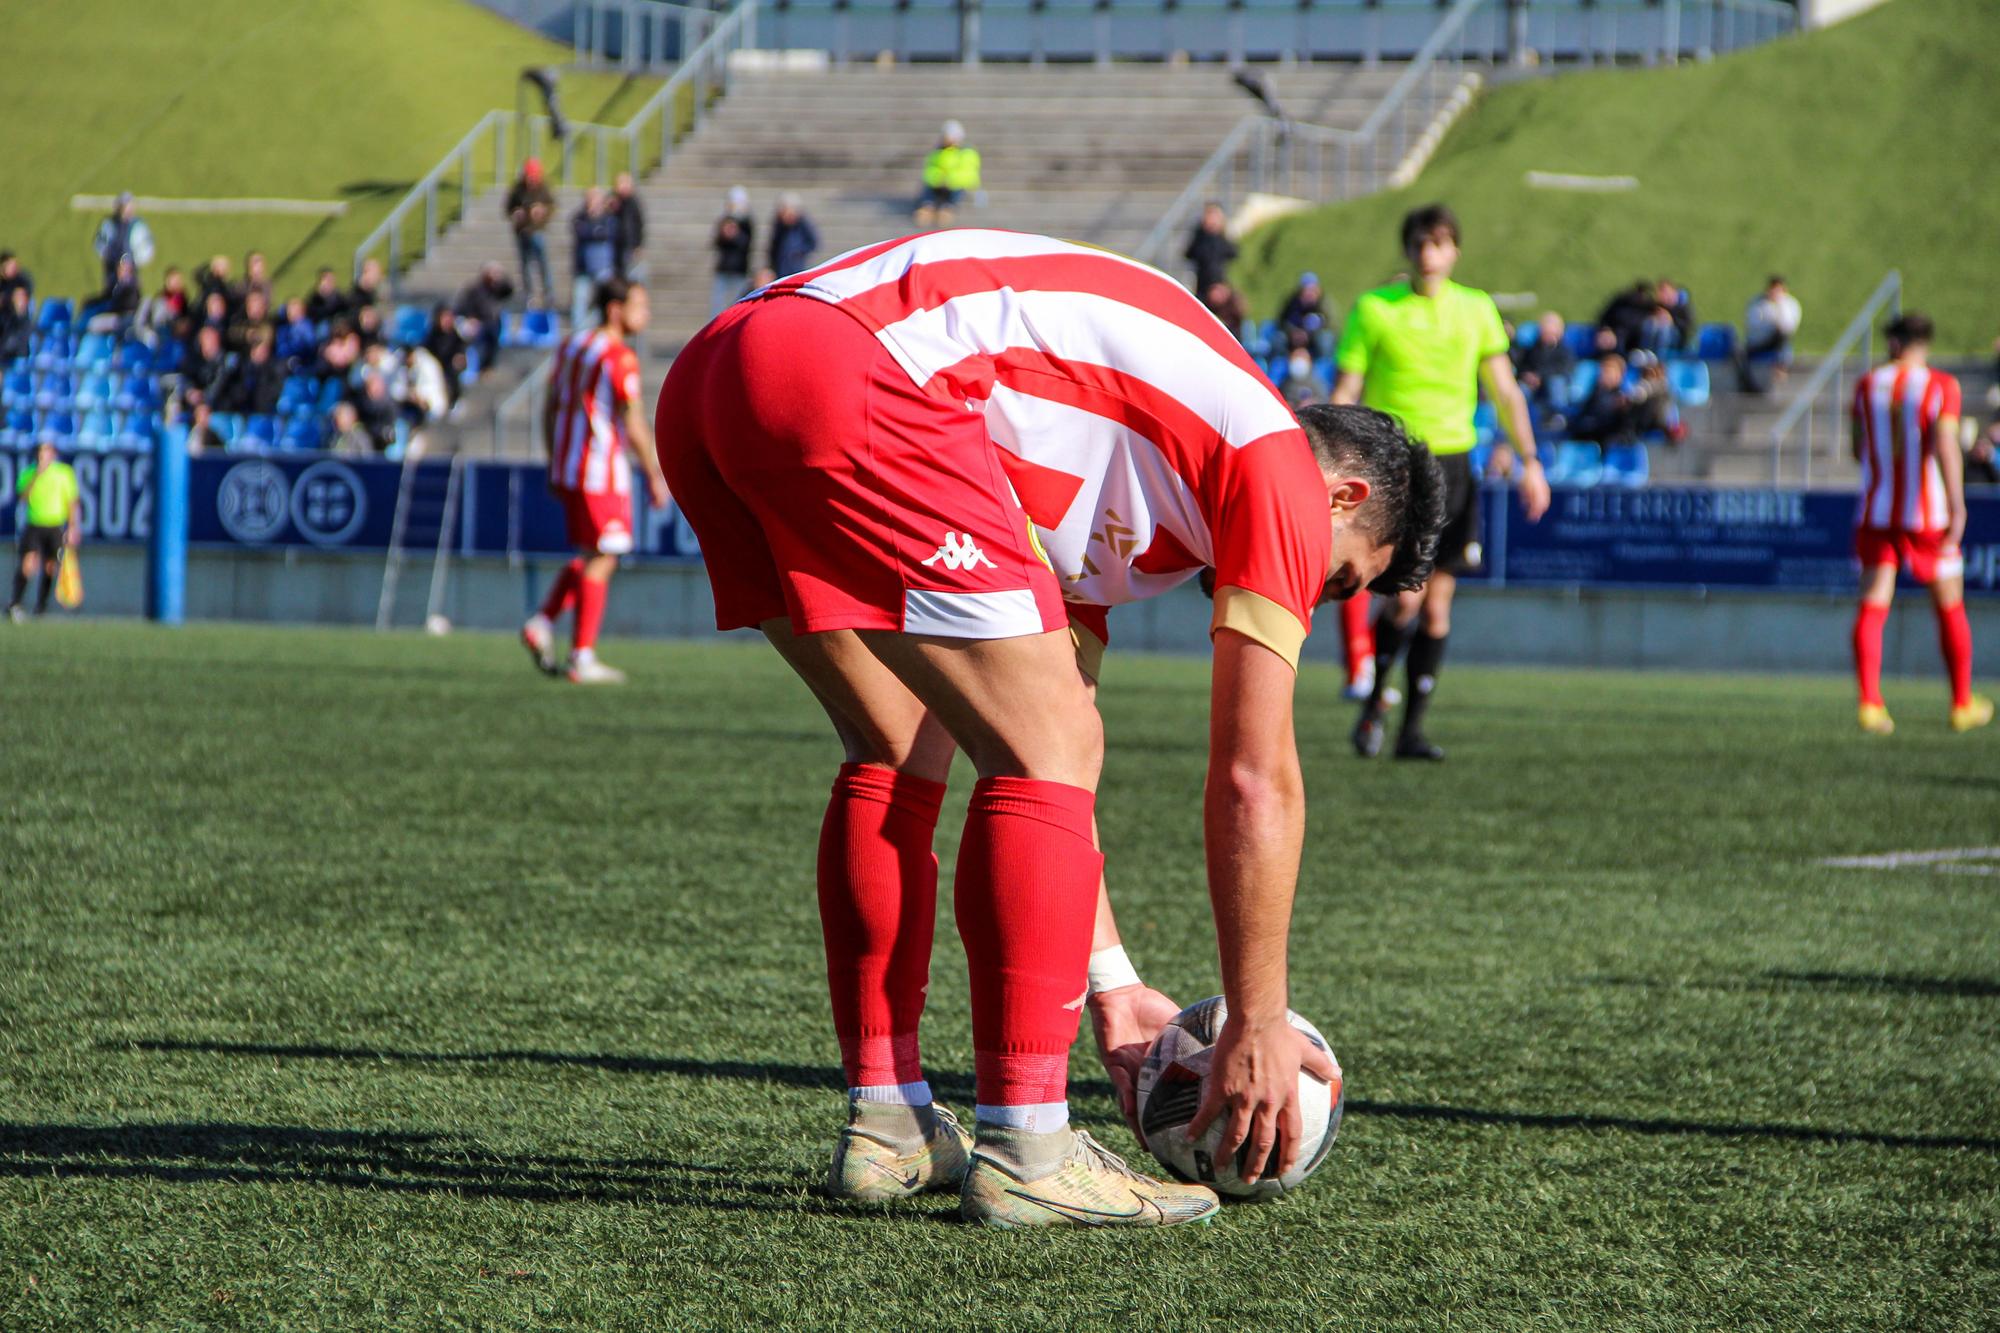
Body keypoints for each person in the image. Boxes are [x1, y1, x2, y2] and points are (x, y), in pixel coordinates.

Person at [654, 229, 1444, 1228]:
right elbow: (1253, 777)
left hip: (721, 374)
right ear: (1343, 496)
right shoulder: (1274, 464)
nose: (1317, 598)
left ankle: (886, 1122)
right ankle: (1027, 1146)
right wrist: (1252, 1021)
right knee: (1042, 748)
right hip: (857, 368)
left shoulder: (1140, 480)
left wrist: (1113, 986)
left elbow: (1042, 750)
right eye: (1341, 579)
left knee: (905, 741)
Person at [1335, 203, 1550, 761]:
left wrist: (1531, 461)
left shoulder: (1477, 309)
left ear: (1454, 250)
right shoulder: (1375, 309)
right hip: (1396, 466)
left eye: (1439, 242)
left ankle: (1411, 731)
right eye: (1418, 243)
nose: (1428, 253)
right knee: (1405, 600)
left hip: (1455, 468)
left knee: (1438, 607)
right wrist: (1327, 458)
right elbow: (1347, 388)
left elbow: (1505, 390)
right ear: (1407, 251)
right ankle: (1375, 699)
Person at [1849, 312, 1991, 735]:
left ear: (1893, 343)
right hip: (1925, 513)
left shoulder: (1866, 385)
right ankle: (1961, 702)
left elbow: (1858, 449)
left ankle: (1871, 703)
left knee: (1874, 603)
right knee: (1949, 604)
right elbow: (1946, 445)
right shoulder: (1940, 386)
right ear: (1924, 343)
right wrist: (1957, 503)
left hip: (1876, 511)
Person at [522, 278, 667, 685]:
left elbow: (550, 408)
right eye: (640, 304)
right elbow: (633, 422)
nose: (647, 313)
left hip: (570, 468)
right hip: (600, 473)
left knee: (591, 554)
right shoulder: (619, 358)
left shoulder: (571, 347)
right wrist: (654, 473)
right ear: (615, 309)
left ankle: (542, 623)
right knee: (604, 558)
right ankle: (581, 655)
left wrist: (554, 461)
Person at [9, 440, 81, 623]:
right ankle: (15, 603)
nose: (43, 456)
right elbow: (23, 497)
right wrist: (37, 475)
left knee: (50, 567)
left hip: (55, 525)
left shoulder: (64, 474)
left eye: (46, 452)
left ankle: (41, 606)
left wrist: (73, 527)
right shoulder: (29, 473)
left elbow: (72, 503)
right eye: (40, 452)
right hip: (34, 524)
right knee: (27, 564)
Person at [570, 188, 621, 331]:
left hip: (603, 267)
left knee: (603, 303)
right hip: (583, 267)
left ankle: (600, 330)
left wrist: (592, 231)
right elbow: (582, 232)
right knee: (580, 302)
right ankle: (579, 333)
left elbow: (608, 234)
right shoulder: (579, 217)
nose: (592, 203)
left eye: (595, 199)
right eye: (590, 199)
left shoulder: (608, 218)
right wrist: (594, 230)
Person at [506, 159, 557, 305]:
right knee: (525, 263)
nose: (531, 180)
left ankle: (548, 292)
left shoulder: (543, 189)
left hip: (537, 230)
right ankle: (529, 293)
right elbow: (508, 207)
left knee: (543, 261)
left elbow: (552, 206)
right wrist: (515, 212)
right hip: (522, 231)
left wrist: (542, 211)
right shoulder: (518, 189)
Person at [1511, 311, 1576, 426]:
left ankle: (1556, 417)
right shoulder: (1532, 349)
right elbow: (1522, 364)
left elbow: (1563, 369)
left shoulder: (1564, 351)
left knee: (1556, 384)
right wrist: (1527, 375)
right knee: (1521, 390)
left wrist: (1541, 376)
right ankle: (1516, 418)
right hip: (1532, 384)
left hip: (1549, 384)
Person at [915, 121, 981, 228]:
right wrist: (938, 179)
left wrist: (949, 180)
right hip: (938, 185)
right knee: (928, 190)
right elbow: (929, 171)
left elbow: (969, 175)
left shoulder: (967, 153)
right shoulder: (937, 152)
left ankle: (946, 210)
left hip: (955, 186)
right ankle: (927, 207)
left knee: (956, 191)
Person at [1742, 275, 1801, 393]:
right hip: (1759, 342)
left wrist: (1779, 309)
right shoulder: (1757, 304)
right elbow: (1753, 326)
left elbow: (1789, 327)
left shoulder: (1789, 305)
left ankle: (1780, 368)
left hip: (1776, 342)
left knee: (1782, 340)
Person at [92, 192, 154, 290]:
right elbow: (99, 245)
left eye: (128, 206)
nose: (126, 210)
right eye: (123, 206)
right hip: (112, 269)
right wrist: (115, 261)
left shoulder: (139, 225)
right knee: (111, 294)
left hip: (133, 269)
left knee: (132, 296)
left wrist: (130, 263)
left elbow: (147, 249)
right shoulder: (109, 223)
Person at [711, 186, 756, 318]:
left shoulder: (746, 222)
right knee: (717, 306)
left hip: (739, 270)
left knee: (736, 305)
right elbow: (716, 243)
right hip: (723, 268)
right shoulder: (724, 220)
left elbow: (747, 244)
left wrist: (735, 235)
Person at [1185, 201, 1237, 295]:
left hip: (1222, 287)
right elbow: (1190, 254)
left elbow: (1232, 255)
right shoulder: (1200, 237)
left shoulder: (1224, 238)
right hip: (1203, 287)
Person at [768, 194, 818, 278]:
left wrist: (798, 252)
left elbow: (813, 242)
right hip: (781, 268)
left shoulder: (803, 224)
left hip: (796, 268)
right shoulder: (779, 226)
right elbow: (773, 246)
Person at [1278, 272, 1330, 353]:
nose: (1309, 293)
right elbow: (1282, 321)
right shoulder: (1291, 303)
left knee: (1325, 340)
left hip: (1314, 339)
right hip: (1293, 337)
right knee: (1279, 338)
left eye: (1312, 290)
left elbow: (1331, 326)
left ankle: (1322, 363)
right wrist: (1292, 333)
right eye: (1306, 290)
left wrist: (1310, 335)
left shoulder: (1324, 305)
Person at [612, 172, 646, 279]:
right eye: (621, 184)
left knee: (634, 277)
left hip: (630, 246)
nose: (623, 187)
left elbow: (639, 225)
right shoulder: (613, 201)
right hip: (615, 247)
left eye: (626, 184)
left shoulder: (633, 203)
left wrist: (638, 245)